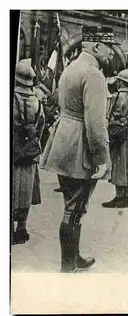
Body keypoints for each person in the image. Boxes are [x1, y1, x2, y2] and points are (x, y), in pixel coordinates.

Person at [40, 26, 116, 272]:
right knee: (75, 208)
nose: (111, 54)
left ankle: (74, 258)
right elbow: (96, 123)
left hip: (64, 141)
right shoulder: (94, 75)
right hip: (80, 146)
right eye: (108, 48)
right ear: (96, 46)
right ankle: (68, 265)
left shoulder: (70, 68)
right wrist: (102, 158)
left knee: (71, 204)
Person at [12, 59, 46, 245]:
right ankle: (21, 228)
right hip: (30, 154)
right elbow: (41, 128)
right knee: (27, 190)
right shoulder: (37, 102)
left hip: (12, 153)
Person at [102, 69, 128, 208]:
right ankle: (125, 197)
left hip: (119, 133)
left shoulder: (118, 96)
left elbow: (113, 113)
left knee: (118, 164)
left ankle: (118, 197)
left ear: (121, 81)